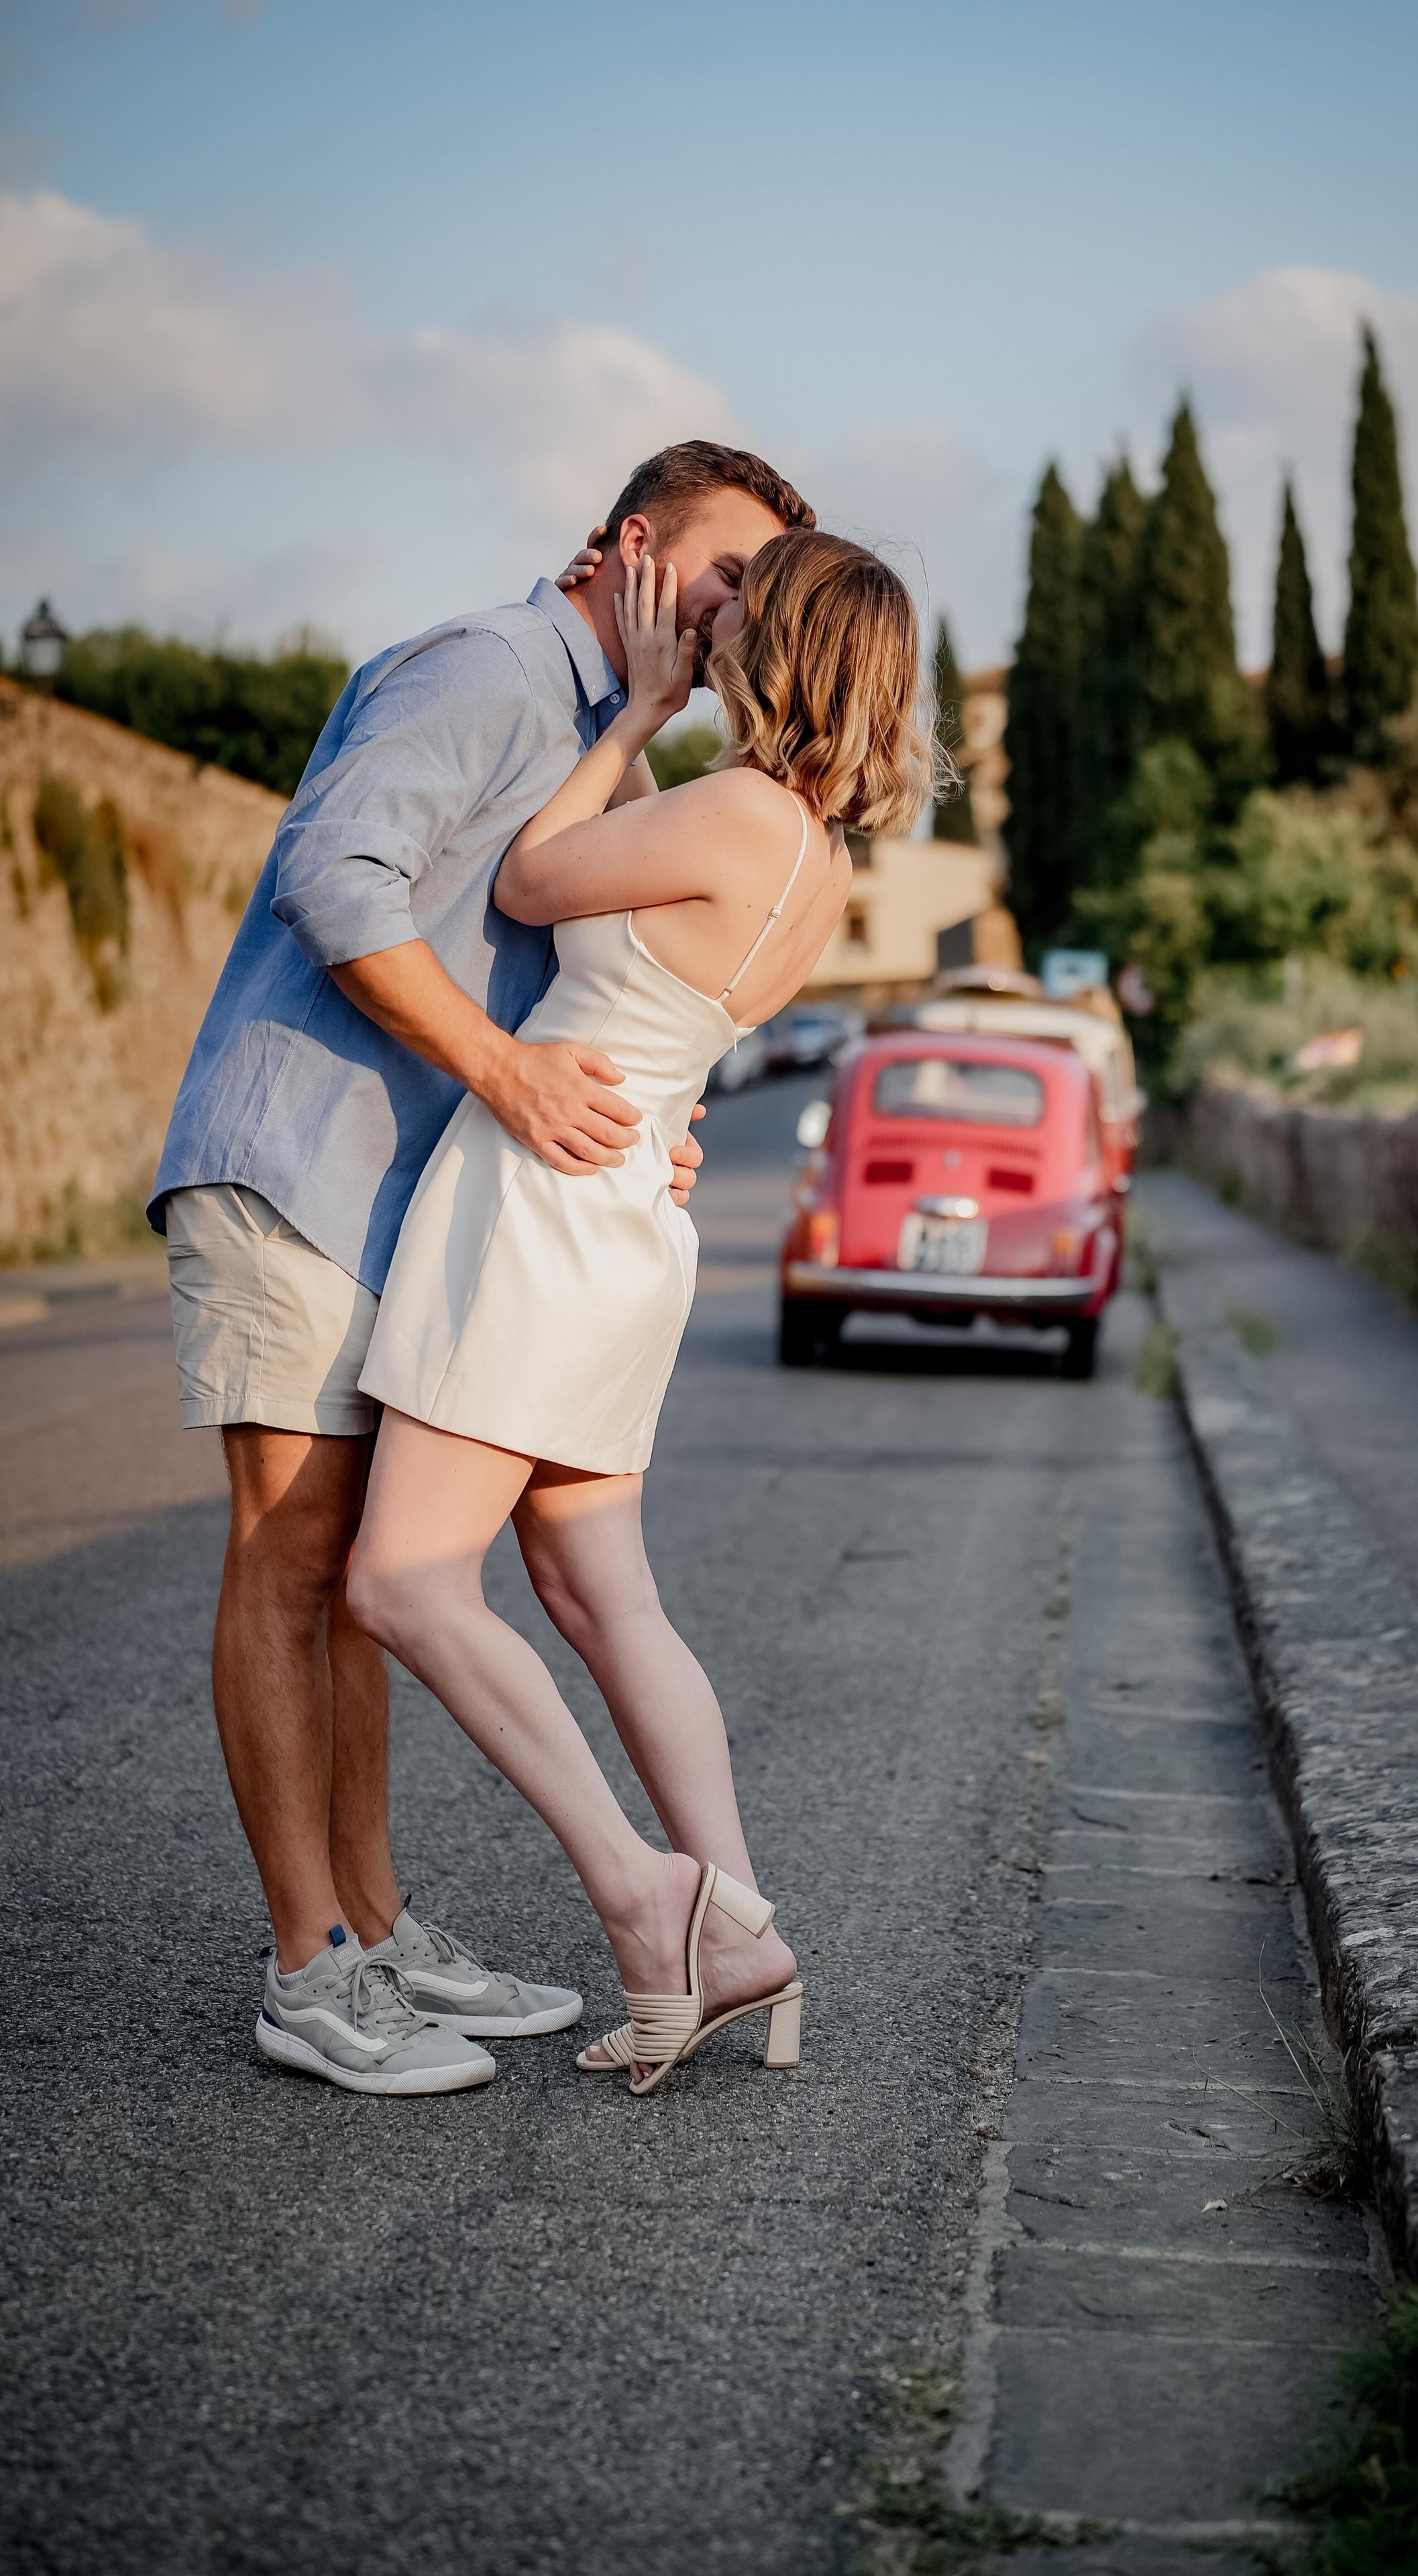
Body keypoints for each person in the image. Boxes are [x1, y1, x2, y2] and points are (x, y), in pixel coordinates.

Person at [148, 442, 813, 2096]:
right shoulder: (491, 667)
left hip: (413, 1201)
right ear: (633, 545)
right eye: (727, 576)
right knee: (292, 1562)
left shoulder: (619, 744)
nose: (743, 614)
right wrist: (512, 1079)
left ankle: (373, 1932)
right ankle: (308, 1967)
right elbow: (333, 877)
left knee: (370, 1577)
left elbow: (586, 984)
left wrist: (637, 1120)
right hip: (301, 1160)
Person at [343, 529, 934, 2096]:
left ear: (779, 640)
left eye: (743, 600)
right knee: (605, 1595)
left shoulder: (733, 804)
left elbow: (533, 878)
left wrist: (627, 719)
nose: (712, 613)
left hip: (543, 1204)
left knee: (403, 1582)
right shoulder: (819, 857)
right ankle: (736, 1930)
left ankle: (639, 1888)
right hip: (624, 1213)